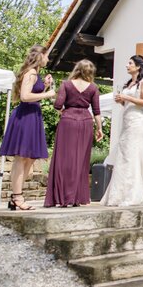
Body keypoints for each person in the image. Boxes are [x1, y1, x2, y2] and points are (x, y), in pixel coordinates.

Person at [0, 45, 56, 211]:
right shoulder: (30, 73)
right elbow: (25, 96)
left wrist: (44, 85)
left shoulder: (35, 74)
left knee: (29, 158)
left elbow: (31, 94)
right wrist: (47, 94)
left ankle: (15, 195)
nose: (48, 59)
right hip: (26, 116)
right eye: (46, 56)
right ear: (40, 56)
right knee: (21, 157)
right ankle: (17, 197)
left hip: (33, 115)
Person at [44, 60, 103, 208]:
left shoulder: (66, 84)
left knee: (63, 159)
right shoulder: (93, 88)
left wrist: (64, 112)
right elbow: (97, 111)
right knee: (81, 160)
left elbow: (57, 105)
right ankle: (77, 197)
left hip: (68, 121)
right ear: (90, 72)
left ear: (76, 69)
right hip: (85, 122)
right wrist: (99, 128)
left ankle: (61, 196)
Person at [102, 55, 143, 207]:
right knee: (123, 155)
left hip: (137, 121)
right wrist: (122, 101)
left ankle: (132, 195)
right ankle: (118, 195)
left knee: (132, 155)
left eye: (130, 63)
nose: (127, 65)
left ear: (138, 66)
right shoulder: (130, 83)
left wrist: (126, 98)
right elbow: (129, 104)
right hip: (127, 120)